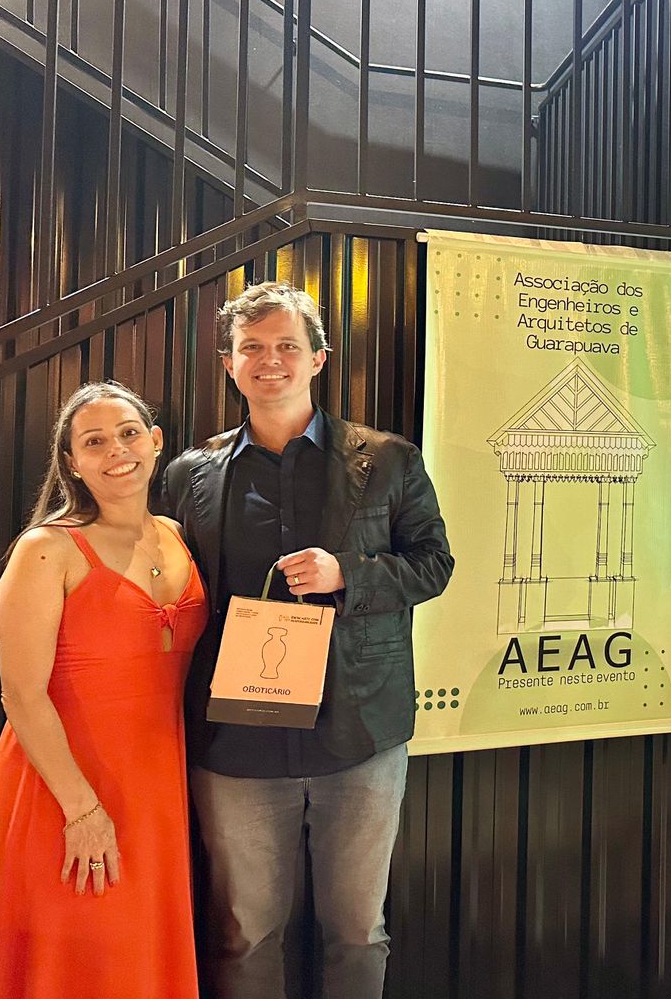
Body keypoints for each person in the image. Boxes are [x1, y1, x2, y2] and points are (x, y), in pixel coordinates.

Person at [162, 282, 454, 999]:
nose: (271, 361)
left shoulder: (388, 460)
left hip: (360, 732)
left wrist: (348, 574)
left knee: (358, 933)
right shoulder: (189, 476)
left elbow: (434, 564)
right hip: (235, 740)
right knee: (244, 934)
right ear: (229, 364)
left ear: (318, 359)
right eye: (252, 348)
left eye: (287, 346)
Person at [0, 381, 207, 999]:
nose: (116, 451)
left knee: (138, 955)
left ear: (155, 442)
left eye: (128, 434)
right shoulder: (47, 549)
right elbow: (21, 695)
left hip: (156, 785)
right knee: (71, 957)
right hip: (63, 785)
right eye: (95, 442)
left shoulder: (177, 533)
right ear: (72, 463)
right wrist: (81, 810)